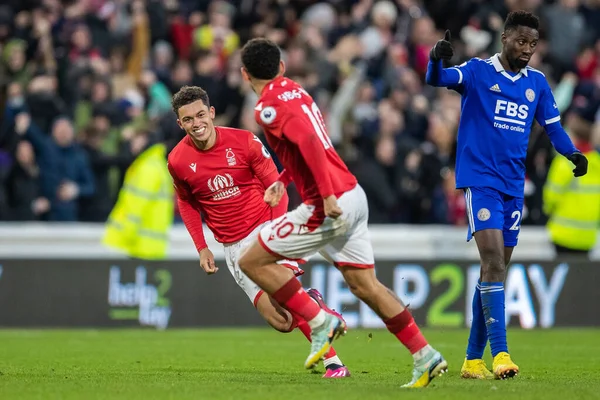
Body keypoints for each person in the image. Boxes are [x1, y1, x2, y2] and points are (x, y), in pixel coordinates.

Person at [236, 38, 448, 389]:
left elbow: (306, 142)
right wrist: (285, 179)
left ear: (245, 74)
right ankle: (424, 355)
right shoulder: (297, 91)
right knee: (365, 285)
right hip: (354, 194)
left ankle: (319, 321)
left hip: (328, 203)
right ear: (282, 67)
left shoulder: (266, 108)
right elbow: (316, 142)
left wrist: (325, 195)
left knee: (251, 262)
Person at [425, 10, 588, 380]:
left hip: (513, 186)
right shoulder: (479, 71)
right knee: (495, 263)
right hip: (480, 181)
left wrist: (572, 153)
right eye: (521, 41)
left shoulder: (537, 83)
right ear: (505, 38)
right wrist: (437, 57)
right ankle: (500, 354)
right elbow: (438, 78)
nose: (527, 49)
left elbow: (553, 127)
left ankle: (471, 359)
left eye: (532, 43)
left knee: (493, 273)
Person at [166, 86, 350, 378]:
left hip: (263, 229)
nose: (196, 123)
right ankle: (313, 300)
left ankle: (335, 364)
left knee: (283, 296)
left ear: (211, 113)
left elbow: (278, 189)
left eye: (201, 114)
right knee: (281, 321)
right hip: (231, 246)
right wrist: (202, 247)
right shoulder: (177, 160)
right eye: (188, 119)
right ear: (180, 123)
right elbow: (186, 202)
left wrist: (276, 236)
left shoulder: (244, 142)